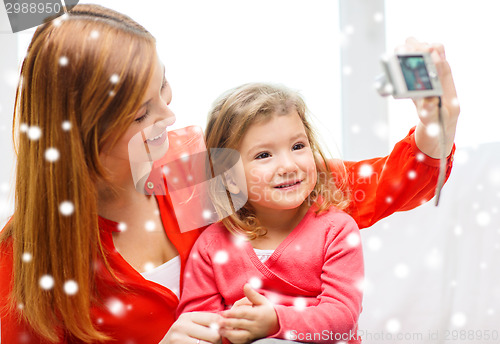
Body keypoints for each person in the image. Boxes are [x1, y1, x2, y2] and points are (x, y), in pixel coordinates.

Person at [0, 4, 459, 344]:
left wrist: (433, 131)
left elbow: (359, 189)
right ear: (83, 132)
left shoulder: (186, 175)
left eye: (164, 84)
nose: (169, 111)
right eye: (143, 112)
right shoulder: (29, 261)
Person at [177, 83, 365, 344]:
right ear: (229, 176)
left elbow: (342, 318)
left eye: (298, 146)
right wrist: (232, 327)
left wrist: (276, 322)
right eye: (264, 155)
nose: (288, 165)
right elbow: (196, 326)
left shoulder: (337, 230)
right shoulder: (211, 245)